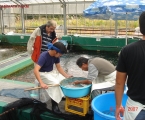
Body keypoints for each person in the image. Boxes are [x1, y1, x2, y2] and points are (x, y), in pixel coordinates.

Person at [115, 11, 145, 120]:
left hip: (135, 109)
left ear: (141, 28)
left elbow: (119, 82)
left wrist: (118, 106)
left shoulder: (128, 50)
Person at [34, 42, 72, 114]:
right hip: (42, 74)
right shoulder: (44, 56)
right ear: (55, 51)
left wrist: (66, 76)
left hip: (50, 72)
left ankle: (61, 95)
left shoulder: (56, 56)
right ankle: (54, 106)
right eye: (60, 53)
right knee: (56, 84)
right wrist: (41, 83)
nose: (61, 55)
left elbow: (59, 67)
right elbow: (36, 70)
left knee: (63, 80)